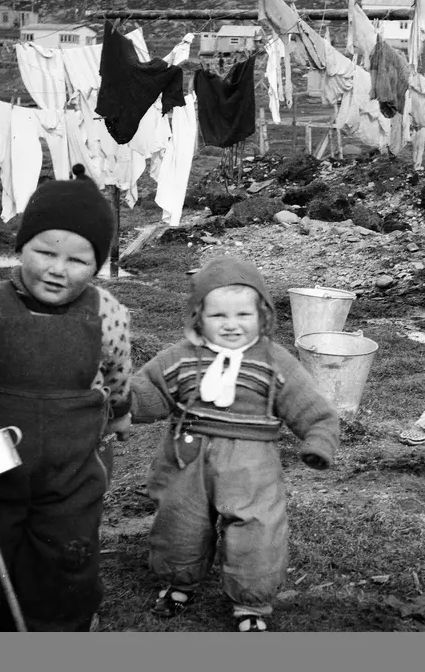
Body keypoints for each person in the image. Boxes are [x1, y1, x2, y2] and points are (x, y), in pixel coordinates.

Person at [0, 164, 135, 632]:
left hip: (73, 467)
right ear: (22, 247)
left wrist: (119, 413)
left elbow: (117, 371)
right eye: (45, 252)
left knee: (68, 549)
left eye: (78, 260)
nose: (58, 270)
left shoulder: (108, 313)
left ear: (98, 263)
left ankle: (67, 622)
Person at [132, 256, 340, 632]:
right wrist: (118, 398)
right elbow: (149, 391)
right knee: (180, 522)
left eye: (243, 315)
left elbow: (311, 406)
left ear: (263, 315)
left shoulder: (276, 362)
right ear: (198, 317)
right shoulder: (181, 357)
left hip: (251, 462)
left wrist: (318, 439)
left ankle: (251, 604)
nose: (231, 325)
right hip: (186, 457)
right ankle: (179, 582)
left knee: (256, 531)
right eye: (217, 317)